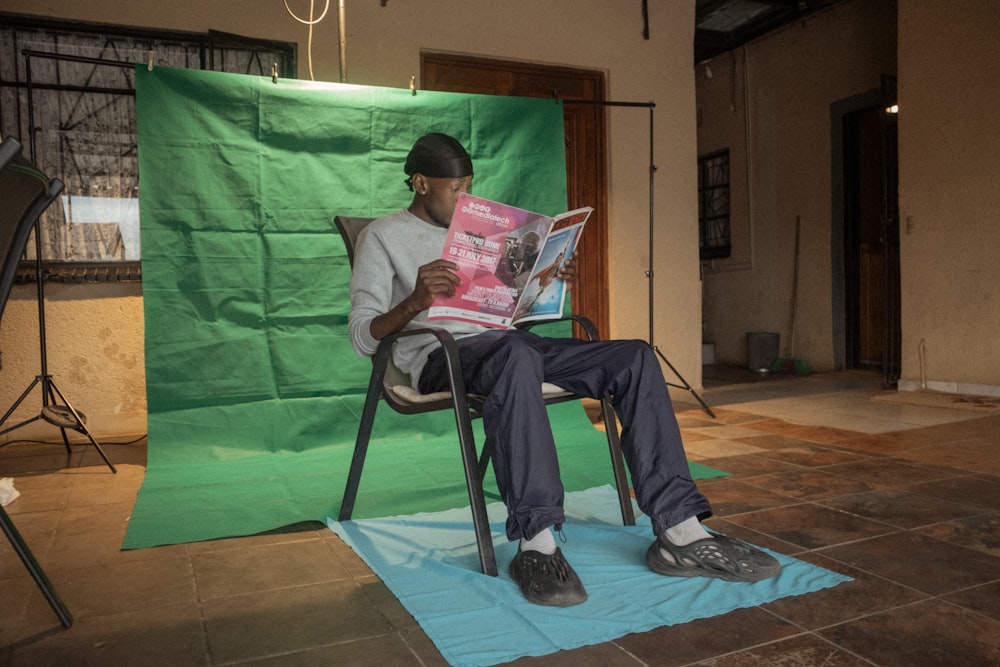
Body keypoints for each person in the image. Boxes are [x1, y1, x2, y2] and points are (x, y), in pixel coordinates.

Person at [348, 132, 780, 607]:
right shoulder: (382, 237)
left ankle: (680, 529)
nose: (465, 197)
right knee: (515, 357)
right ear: (420, 182)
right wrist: (416, 300)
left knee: (633, 356)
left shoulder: (481, 233)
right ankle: (537, 542)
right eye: (456, 188)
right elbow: (363, 337)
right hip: (440, 357)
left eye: (470, 186)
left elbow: (506, 314)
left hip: (511, 345)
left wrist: (544, 281)